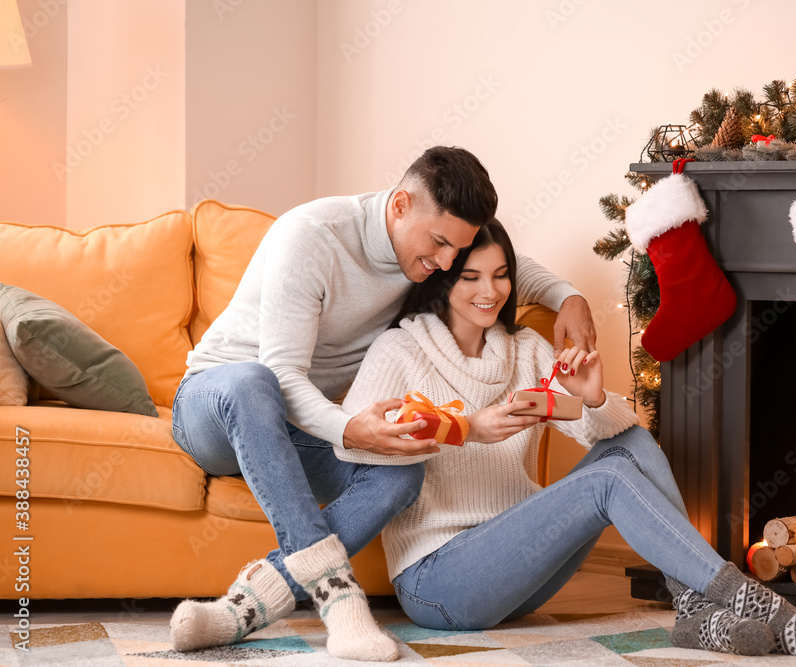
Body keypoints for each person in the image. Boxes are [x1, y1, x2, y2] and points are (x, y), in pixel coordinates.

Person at [335, 219, 796, 663]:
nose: (489, 291)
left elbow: (604, 431)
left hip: (520, 567)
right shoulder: (398, 352)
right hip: (438, 581)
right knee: (608, 479)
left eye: (500, 275)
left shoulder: (525, 351)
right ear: (444, 278)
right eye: (472, 276)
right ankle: (753, 602)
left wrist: (591, 397)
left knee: (629, 443)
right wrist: (463, 429)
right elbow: (351, 443)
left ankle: (693, 611)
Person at [167, 147, 597, 662]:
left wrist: (569, 297)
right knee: (253, 382)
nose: (443, 263)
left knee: (400, 474)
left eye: (452, 253)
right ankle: (339, 600)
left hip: (299, 428)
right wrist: (349, 428)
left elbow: (500, 269)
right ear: (399, 205)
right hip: (215, 405)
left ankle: (246, 607)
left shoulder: (431, 252)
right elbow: (281, 375)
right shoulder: (312, 236)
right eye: (439, 244)